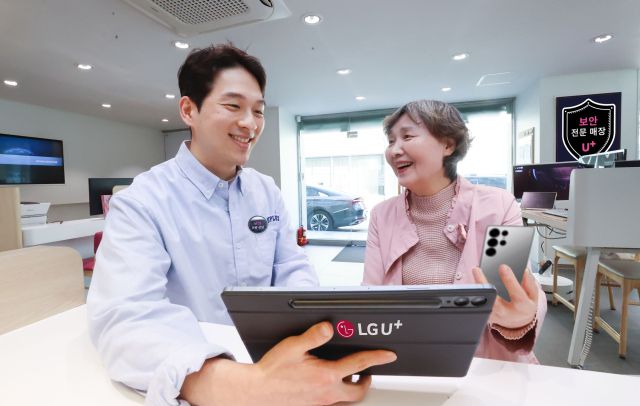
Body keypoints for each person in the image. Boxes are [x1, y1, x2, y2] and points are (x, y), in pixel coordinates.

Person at [87, 44, 396, 406]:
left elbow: (291, 267)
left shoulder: (265, 191)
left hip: (274, 361)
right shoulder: (142, 201)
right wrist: (249, 386)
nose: (250, 123)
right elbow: (125, 320)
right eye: (233, 106)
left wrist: (312, 337)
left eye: (258, 111)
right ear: (188, 109)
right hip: (199, 375)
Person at [362, 100, 547, 363]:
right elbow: (370, 299)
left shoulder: (498, 206)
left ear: (448, 145)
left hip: (486, 365)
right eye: (391, 141)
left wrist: (519, 319)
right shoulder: (382, 215)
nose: (394, 150)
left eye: (407, 136)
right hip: (408, 361)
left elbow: (511, 296)